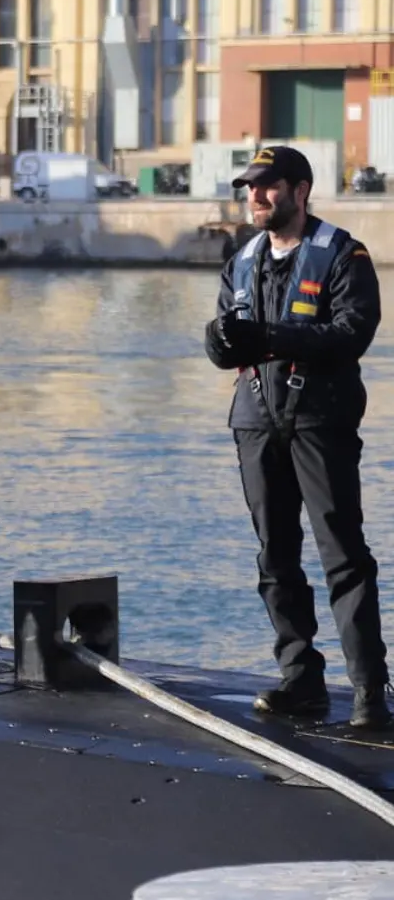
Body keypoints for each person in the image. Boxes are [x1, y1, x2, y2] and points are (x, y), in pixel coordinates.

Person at [205, 144, 389, 729]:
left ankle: (368, 691)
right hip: (257, 421)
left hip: (320, 420)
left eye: (269, 186)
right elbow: (222, 344)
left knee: (343, 557)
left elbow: (351, 332)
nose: (256, 196)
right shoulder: (241, 260)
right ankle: (300, 678)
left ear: (300, 190)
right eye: (251, 187)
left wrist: (273, 337)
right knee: (275, 558)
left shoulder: (342, 255)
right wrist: (222, 339)